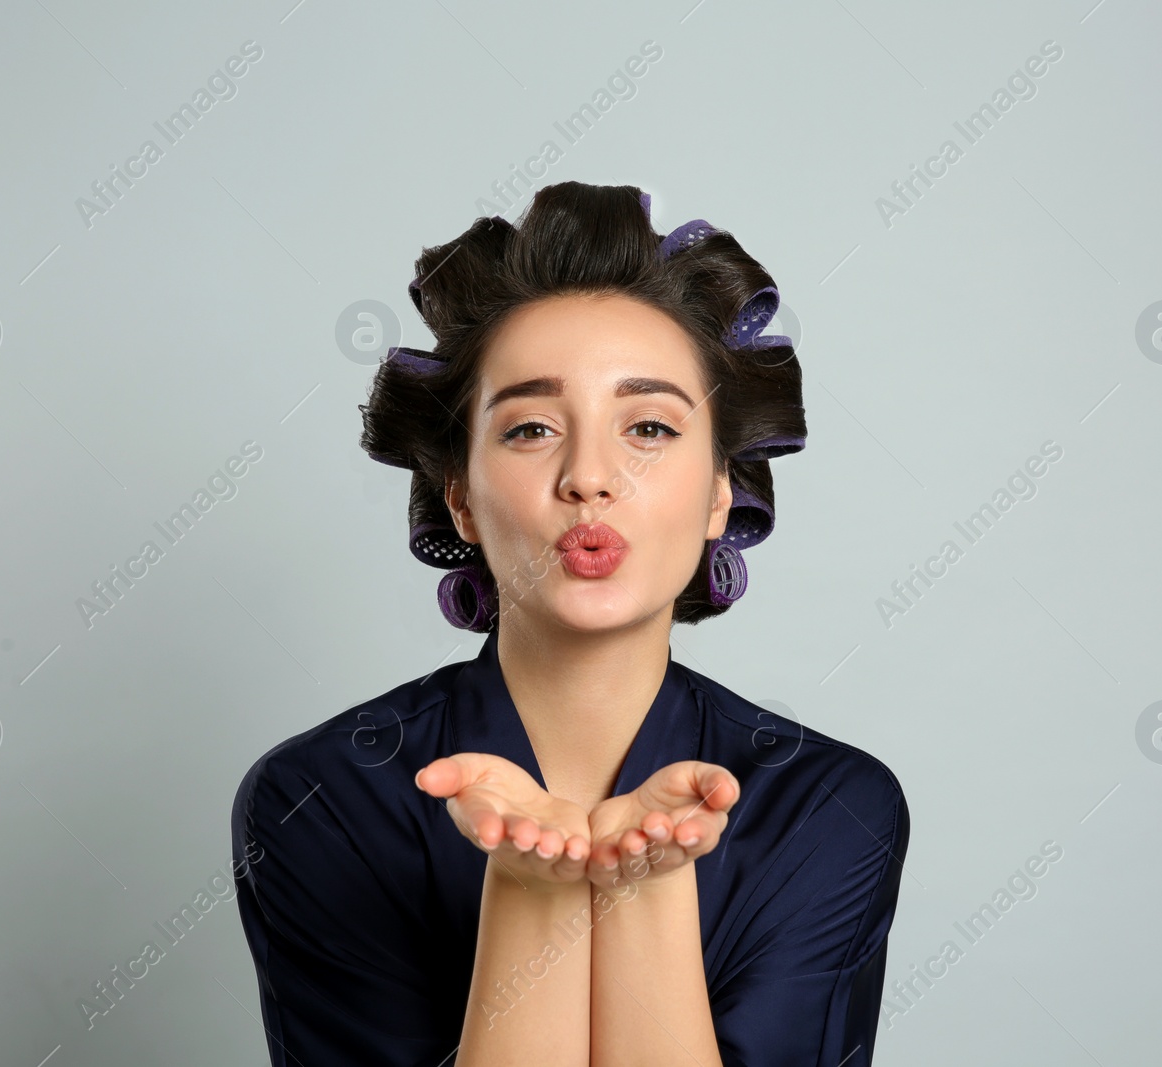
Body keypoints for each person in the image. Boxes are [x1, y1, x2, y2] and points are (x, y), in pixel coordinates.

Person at [231, 181, 909, 1066]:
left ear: (718, 495)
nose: (591, 476)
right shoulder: (319, 799)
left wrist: (646, 882)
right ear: (462, 499)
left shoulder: (831, 809)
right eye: (532, 429)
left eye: (651, 427)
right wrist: (534, 890)